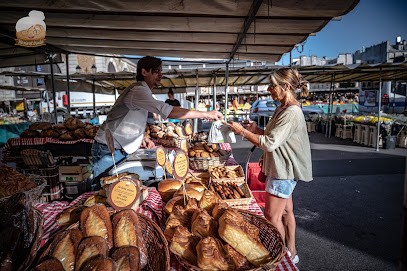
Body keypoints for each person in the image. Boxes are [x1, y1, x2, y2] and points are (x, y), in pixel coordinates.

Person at [226, 68, 313, 264]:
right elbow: (275, 137)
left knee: (272, 216)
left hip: (283, 170)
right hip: (283, 168)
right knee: (285, 211)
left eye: (273, 85)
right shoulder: (282, 107)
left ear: (286, 87)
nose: (268, 89)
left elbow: (269, 143)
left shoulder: (291, 112)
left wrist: (243, 132)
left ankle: (281, 258)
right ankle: (291, 252)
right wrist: (257, 130)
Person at [92, 56, 223, 182]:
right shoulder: (138, 91)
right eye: (156, 71)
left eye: (161, 71)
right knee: (101, 190)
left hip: (116, 149)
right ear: (144, 72)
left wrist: (140, 138)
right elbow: (170, 111)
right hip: (108, 149)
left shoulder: (143, 91)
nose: (160, 75)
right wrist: (207, 114)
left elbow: (130, 119)